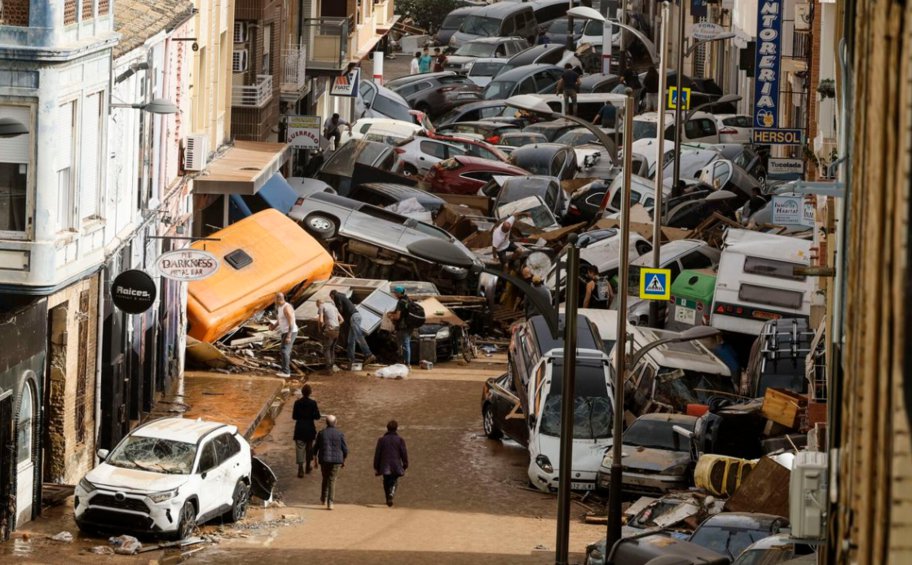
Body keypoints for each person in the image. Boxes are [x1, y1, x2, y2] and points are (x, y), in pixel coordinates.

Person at [330, 289, 377, 368]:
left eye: (331, 298)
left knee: (359, 337)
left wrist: (335, 317)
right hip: (355, 317)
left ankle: (369, 354)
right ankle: (351, 361)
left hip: (353, 317)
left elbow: (340, 310)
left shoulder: (337, 296)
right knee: (350, 341)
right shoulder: (343, 296)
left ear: (332, 295)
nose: (331, 299)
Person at [314, 415, 348, 510]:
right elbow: (345, 450)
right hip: (336, 461)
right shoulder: (340, 434)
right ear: (335, 422)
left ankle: (323, 499)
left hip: (324, 460)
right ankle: (330, 502)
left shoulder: (321, 433)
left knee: (325, 478)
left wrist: (315, 461)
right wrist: (343, 460)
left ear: (326, 422)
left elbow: (315, 448)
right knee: (332, 480)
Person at [373, 420, 409, 507]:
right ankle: (391, 495)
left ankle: (387, 498)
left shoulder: (381, 440)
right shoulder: (400, 440)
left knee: (386, 481)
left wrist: (376, 466)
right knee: (394, 481)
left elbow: (378, 454)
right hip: (396, 465)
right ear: (396, 429)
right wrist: (405, 464)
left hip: (384, 465)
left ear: (387, 428)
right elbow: (404, 453)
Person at [292, 384, 321, 477]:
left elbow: (294, 416)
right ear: (310, 393)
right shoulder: (313, 403)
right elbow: (317, 416)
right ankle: (308, 467)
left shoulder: (297, 403)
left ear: (302, 392)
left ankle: (300, 469)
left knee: (300, 449)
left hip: (299, 428)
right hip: (309, 428)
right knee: (309, 448)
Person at [269, 292, 297, 378]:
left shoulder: (286, 307)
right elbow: (280, 320)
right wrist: (273, 326)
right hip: (285, 332)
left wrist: (289, 335)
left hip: (290, 332)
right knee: (284, 351)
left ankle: (286, 372)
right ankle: (285, 369)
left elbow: (291, 322)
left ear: (279, 299)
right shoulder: (280, 307)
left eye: (275, 299)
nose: (274, 301)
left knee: (285, 351)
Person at [386, 286, 413, 365]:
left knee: (402, 345)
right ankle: (406, 363)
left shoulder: (401, 302)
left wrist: (391, 317)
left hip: (402, 327)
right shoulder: (409, 300)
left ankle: (404, 363)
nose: (394, 294)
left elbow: (397, 316)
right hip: (410, 326)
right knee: (406, 344)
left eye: (395, 293)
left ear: (398, 293)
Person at [317, 298, 343, 374]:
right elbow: (342, 320)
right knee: (332, 349)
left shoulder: (321, 306)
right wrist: (335, 325)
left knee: (326, 349)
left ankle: (328, 370)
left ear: (318, 304)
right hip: (337, 330)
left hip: (330, 331)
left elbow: (321, 320)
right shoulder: (333, 307)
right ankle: (331, 367)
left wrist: (321, 329)